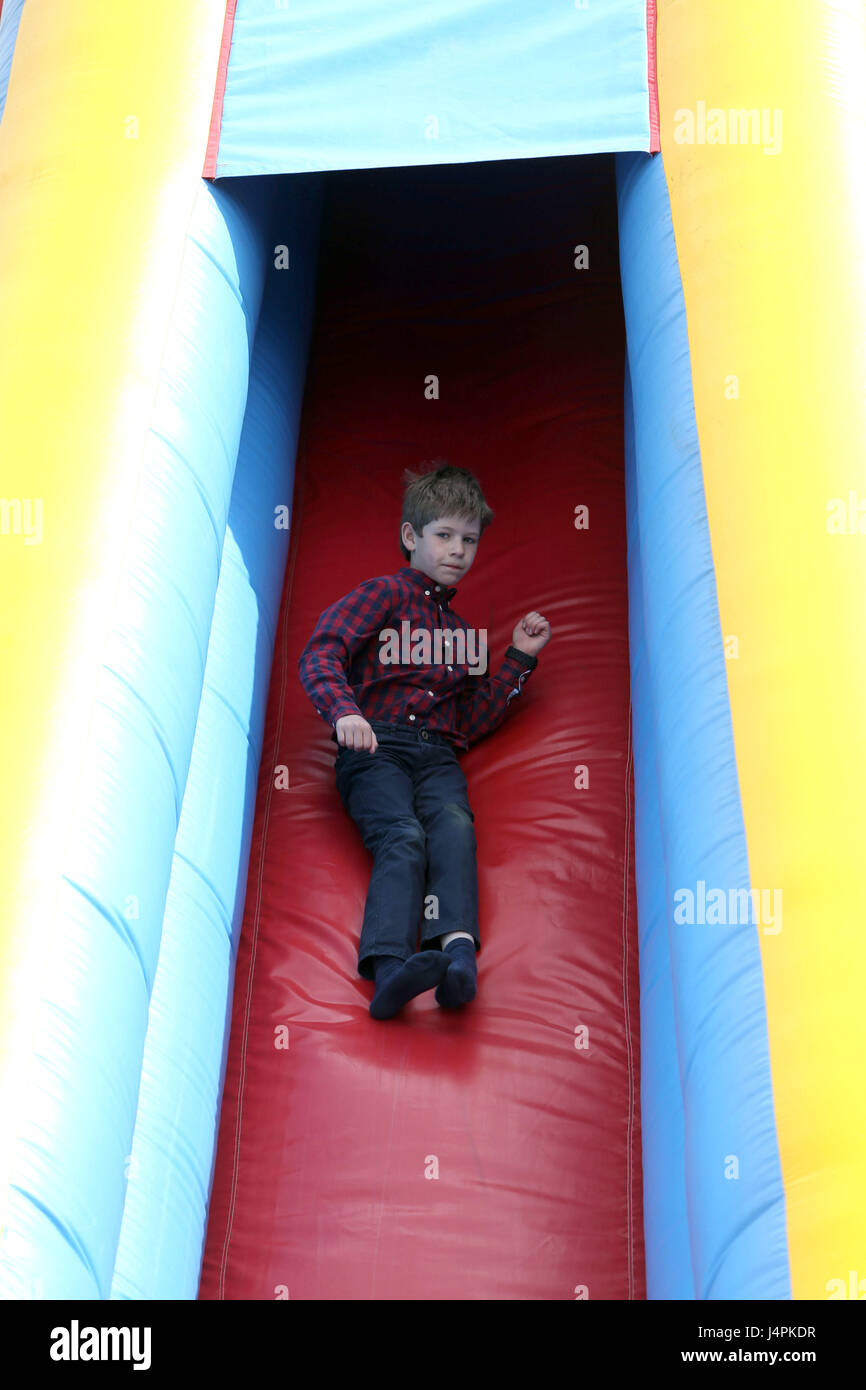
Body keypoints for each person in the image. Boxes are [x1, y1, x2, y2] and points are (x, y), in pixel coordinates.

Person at [298, 462, 551, 1019]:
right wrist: (343, 713)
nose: (457, 550)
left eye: (469, 540)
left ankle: (457, 954)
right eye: (443, 536)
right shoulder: (385, 595)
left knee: (455, 827)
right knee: (404, 835)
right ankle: (389, 969)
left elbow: (473, 718)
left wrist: (519, 660)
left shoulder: (463, 634)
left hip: (437, 752)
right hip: (377, 745)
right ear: (412, 537)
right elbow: (322, 650)